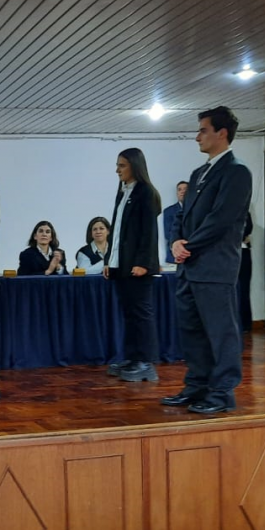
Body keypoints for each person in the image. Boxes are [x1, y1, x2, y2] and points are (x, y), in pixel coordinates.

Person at [165, 106, 253, 414]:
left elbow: (222, 220)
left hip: (215, 267)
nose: (197, 136)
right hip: (190, 266)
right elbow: (182, 214)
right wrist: (175, 241)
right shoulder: (198, 173)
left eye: (203, 130)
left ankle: (221, 392)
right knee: (193, 331)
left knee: (220, 332)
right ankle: (197, 386)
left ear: (222, 133)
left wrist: (188, 246)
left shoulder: (237, 171)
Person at [104, 148, 162, 382]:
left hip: (138, 266)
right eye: (117, 165)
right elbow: (116, 231)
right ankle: (132, 357)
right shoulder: (122, 192)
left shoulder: (145, 192)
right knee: (129, 314)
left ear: (135, 166)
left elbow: (149, 232)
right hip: (122, 264)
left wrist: (143, 263)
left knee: (141, 314)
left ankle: (146, 361)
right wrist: (109, 260)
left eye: (122, 165)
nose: (117, 170)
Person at [238, 210, 254, 333]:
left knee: (244, 289)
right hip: (228, 253)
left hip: (243, 253)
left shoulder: (245, 213)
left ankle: (245, 324)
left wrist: (242, 236)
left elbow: (248, 229)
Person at [163, 182, 187, 262]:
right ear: (177, 193)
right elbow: (168, 233)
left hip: (193, 254)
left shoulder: (198, 211)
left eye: (185, 189)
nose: (182, 191)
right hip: (174, 255)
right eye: (180, 189)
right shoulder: (168, 211)